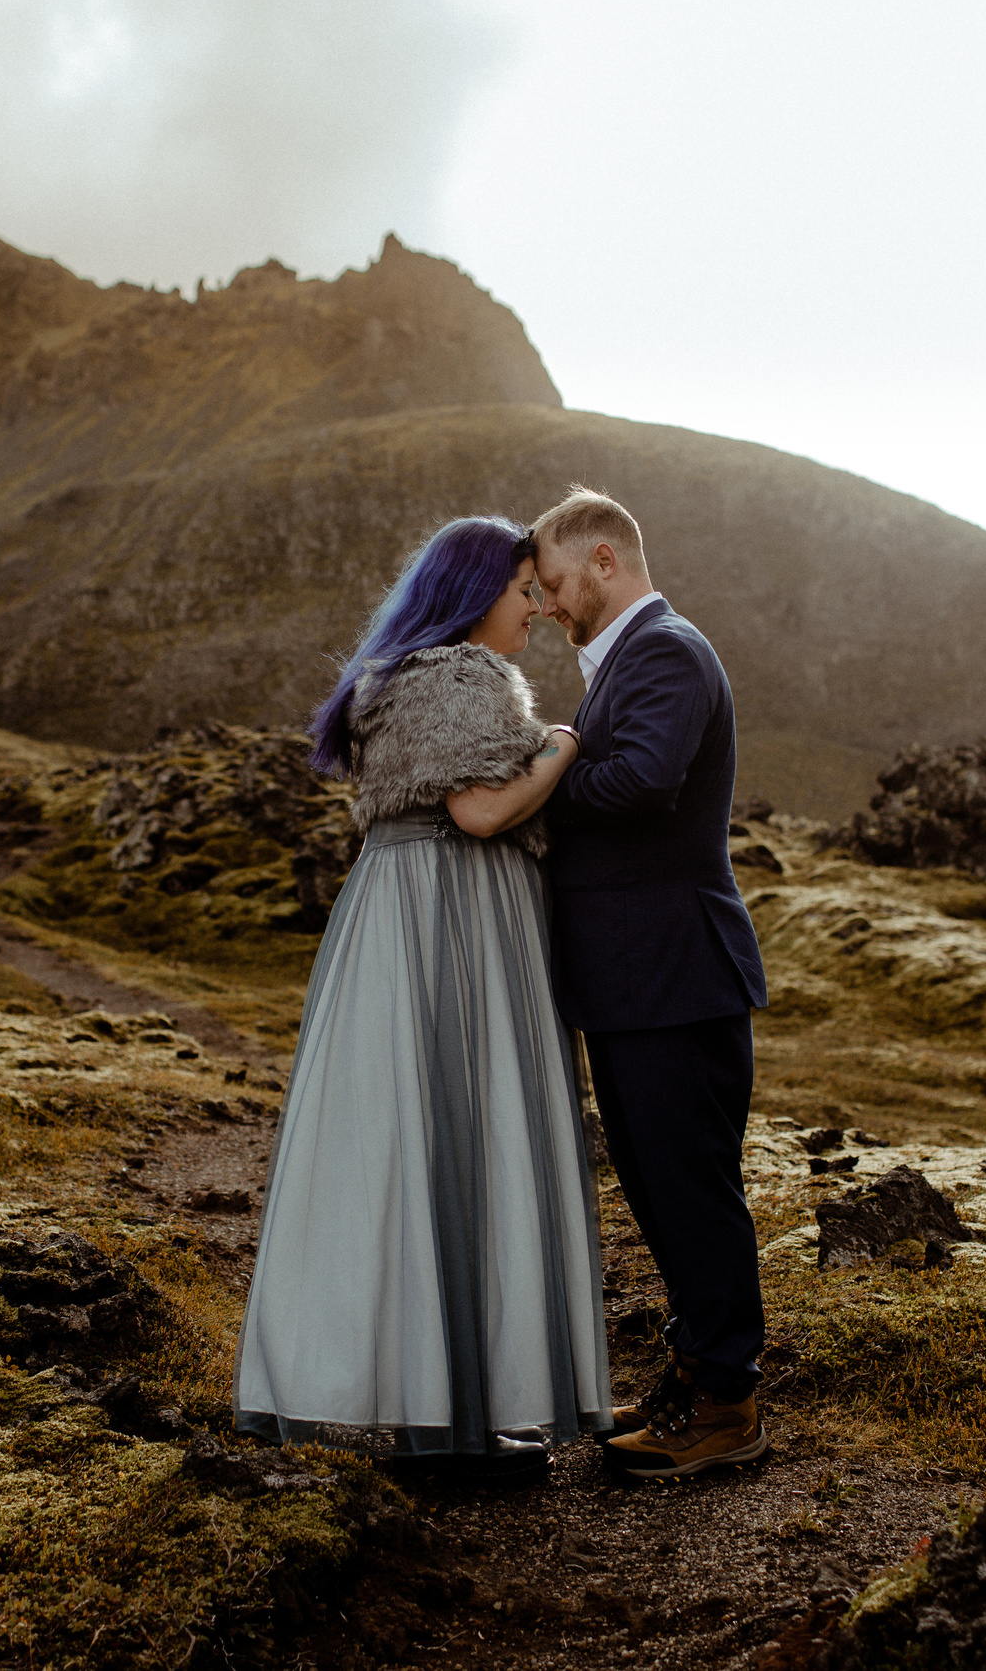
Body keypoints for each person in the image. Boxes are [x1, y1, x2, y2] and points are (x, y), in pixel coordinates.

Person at [233, 515, 610, 1471]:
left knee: (412, 1140)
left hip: (409, 913)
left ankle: (439, 1402)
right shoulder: (456, 677)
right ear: (475, 590)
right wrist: (563, 742)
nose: (536, 605)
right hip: (451, 918)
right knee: (465, 1132)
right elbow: (480, 809)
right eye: (523, 588)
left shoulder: (414, 676)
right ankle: (458, 1418)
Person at [530, 484, 771, 1480]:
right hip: (638, 982)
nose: (541, 605)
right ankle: (696, 1374)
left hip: (673, 975)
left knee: (691, 1193)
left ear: (600, 561)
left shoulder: (664, 649)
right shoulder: (627, 656)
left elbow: (638, 780)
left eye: (549, 584)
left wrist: (533, 771)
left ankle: (725, 1406)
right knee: (661, 1192)